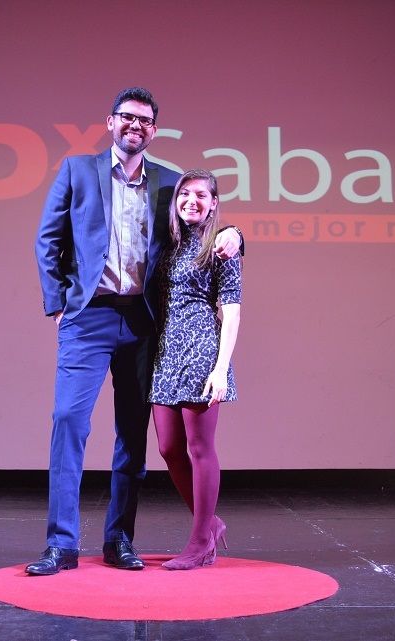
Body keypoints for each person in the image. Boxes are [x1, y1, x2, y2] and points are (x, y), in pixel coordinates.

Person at [27, 88, 242, 575]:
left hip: (144, 324)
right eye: (127, 117)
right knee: (69, 422)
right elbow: (48, 238)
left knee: (132, 436)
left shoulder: (169, 181)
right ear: (110, 122)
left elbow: (200, 222)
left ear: (154, 130)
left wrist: (235, 233)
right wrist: (58, 303)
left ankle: (118, 539)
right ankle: (60, 544)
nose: (135, 126)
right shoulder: (78, 170)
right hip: (90, 316)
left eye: (145, 121)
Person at [149, 169, 242, 570]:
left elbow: (233, 310)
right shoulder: (167, 243)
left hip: (202, 351)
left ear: (214, 203)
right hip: (166, 353)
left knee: (200, 448)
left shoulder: (221, 247)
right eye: (184, 193)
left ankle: (201, 539)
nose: (191, 200)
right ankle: (211, 524)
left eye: (201, 195)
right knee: (169, 448)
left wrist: (221, 369)